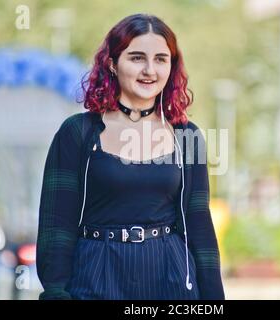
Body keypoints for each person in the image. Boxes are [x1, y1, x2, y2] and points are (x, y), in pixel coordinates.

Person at [36, 13, 225, 300]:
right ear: (112, 63)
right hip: (95, 275)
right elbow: (56, 225)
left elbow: (199, 226)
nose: (150, 70)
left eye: (161, 59)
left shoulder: (187, 135)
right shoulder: (78, 133)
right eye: (137, 58)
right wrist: (55, 292)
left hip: (170, 277)